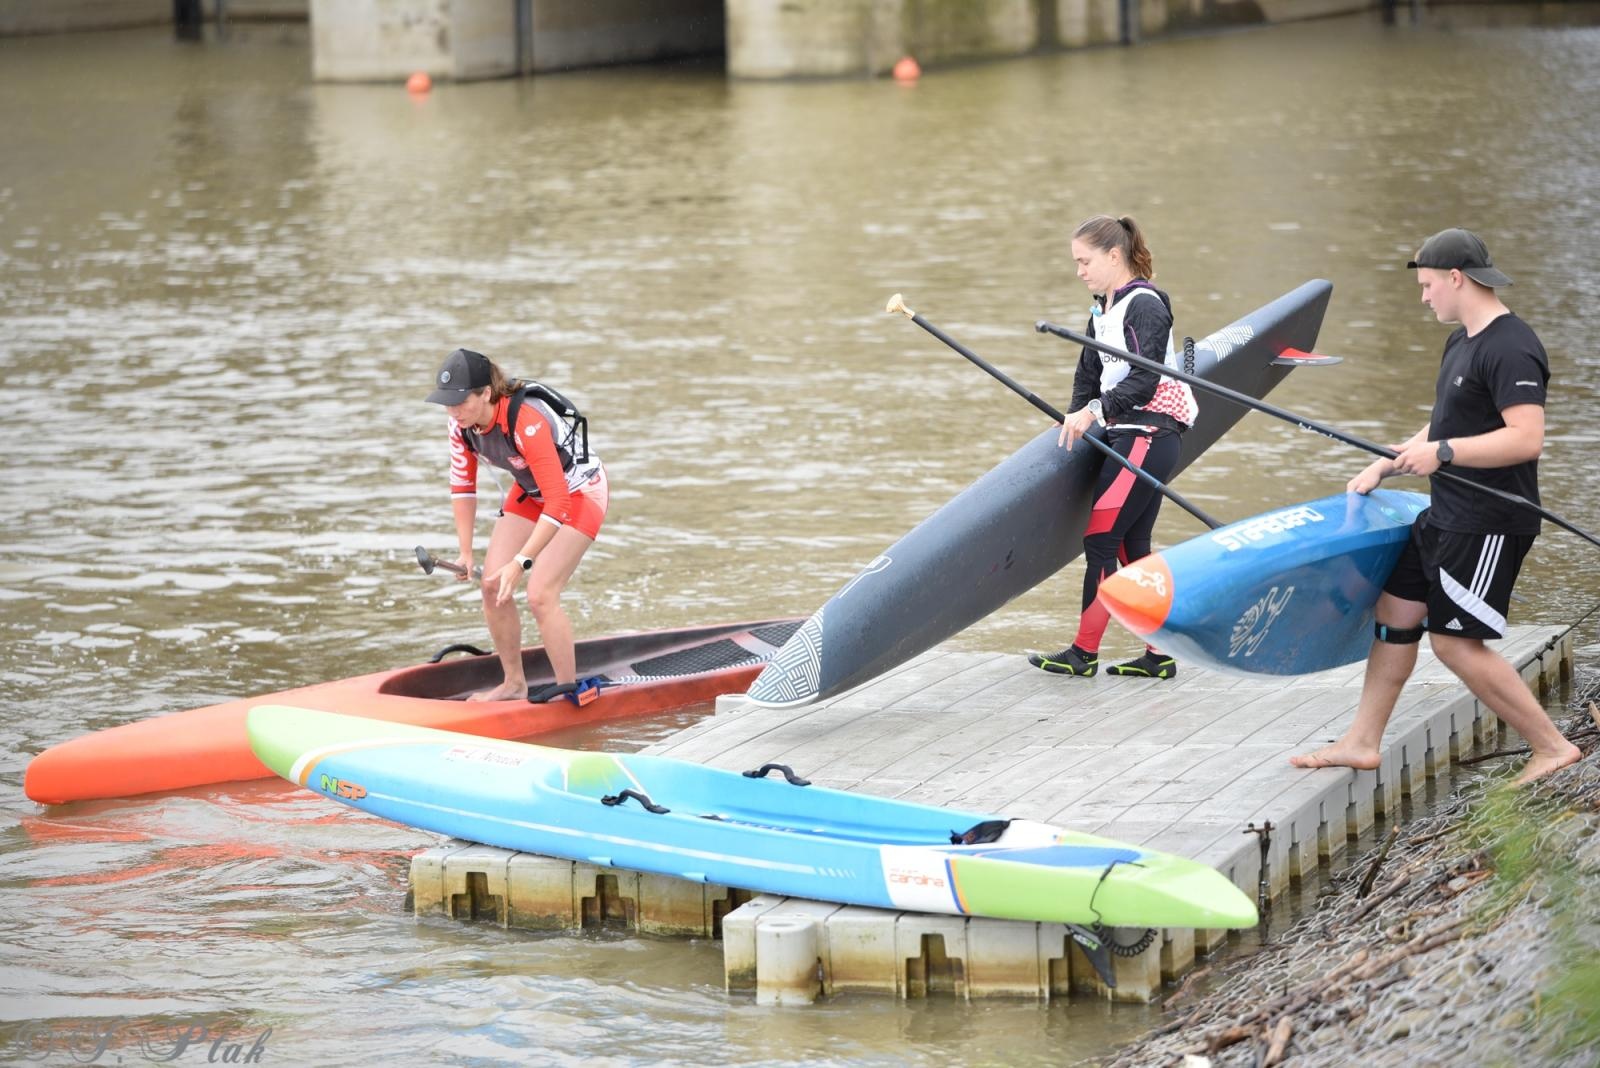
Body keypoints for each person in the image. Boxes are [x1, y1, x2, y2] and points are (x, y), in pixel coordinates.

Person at [1291, 228, 1581, 785]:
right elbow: (1449, 420)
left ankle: (1551, 747)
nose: (1424, 298)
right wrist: (1392, 460)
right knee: (1394, 615)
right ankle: (1362, 741)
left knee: (1453, 642)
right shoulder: (1462, 341)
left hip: (1489, 521)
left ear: (1456, 278)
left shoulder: (1511, 345)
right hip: (1445, 515)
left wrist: (1443, 453)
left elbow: (1526, 438)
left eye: (1427, 286)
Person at [1029, 214, 1198, 680]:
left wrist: (1096, 412)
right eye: (1076, 263)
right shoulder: (1103, 308)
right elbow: (1089, 373)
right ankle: (1158, 654)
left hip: (1148, 434)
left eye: (1085, 261)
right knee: (1129, 544)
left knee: (1101, 540)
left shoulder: (1144, 305)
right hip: (1129, 433)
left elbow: (1144, 379)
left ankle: (1083, 655)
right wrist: (1075, 412)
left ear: (1113, 255)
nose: (1079, 270)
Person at [425, 348, 609, 703]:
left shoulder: (527, 421)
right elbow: (463, 487)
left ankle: (570, 688)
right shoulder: (459, 426)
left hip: (580, 494)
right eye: (447, 403)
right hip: (532, 490)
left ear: (487, 394)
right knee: (492, 586)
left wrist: (522, 561)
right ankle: (513, 684)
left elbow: (558, 503)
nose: (453, 411)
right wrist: (465, 553)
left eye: (460, 402)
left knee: (540, 594)